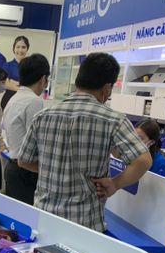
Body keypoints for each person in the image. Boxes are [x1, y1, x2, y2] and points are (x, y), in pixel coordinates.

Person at [18, 52, 151, 232]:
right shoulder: (113, 120)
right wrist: (115, 184)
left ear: (78, 80)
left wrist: (54, 168)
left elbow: (24, 160)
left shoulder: (43, 116)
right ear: (107, 89)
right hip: (85, 224)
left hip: (44, 218)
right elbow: (143, 160)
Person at [2, 54, 49, 204]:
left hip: (13, 166)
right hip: (26, 172)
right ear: (43, 79)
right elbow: (37, 141)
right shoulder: (34, 101)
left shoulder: (14, 98)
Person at [1, 36, 30, 109]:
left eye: (23, 47)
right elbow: (6, 84)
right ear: (14, 48)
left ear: (27, 49)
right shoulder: (7, 66)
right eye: (18, 47)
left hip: (25, 103)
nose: (20, 50)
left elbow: (33, 86)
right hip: (8, 101)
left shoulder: (31, 67)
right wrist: (24, 89)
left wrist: (14, 82)